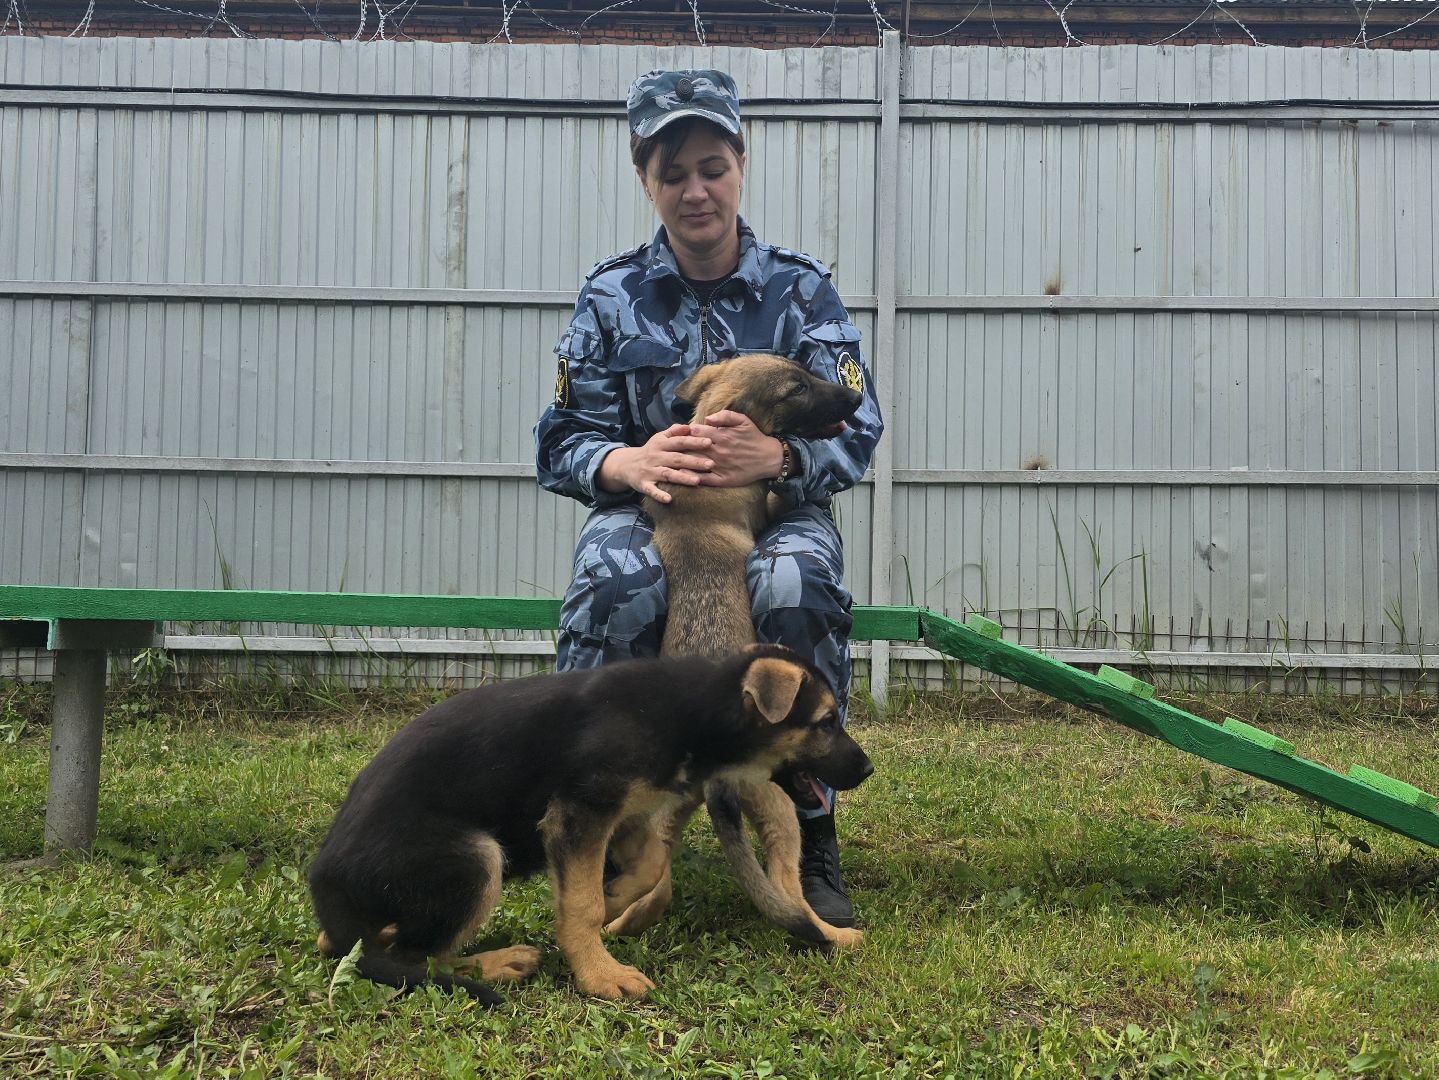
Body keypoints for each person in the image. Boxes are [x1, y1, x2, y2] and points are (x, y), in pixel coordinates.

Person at [533, 69, 883, 928]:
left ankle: (807, 820)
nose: (696, 190)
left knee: (794, 586)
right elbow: (561, 440)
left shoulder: (801, 289)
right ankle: (603, 829)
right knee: (613, 582)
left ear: (740, 165)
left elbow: (859, 428)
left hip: (780, 510)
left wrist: (781, 455)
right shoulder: (610, 294)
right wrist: (628, 462)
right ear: (644, 179)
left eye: (712, 166)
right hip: (649, 512)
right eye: (673, 172)